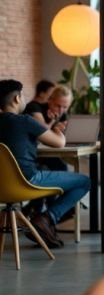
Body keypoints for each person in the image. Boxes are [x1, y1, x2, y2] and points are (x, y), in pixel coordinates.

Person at [0, 79, 90, 248]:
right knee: (84, 182)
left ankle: (40, 217)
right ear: (17, 99)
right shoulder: (25, 121)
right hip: (27, 181)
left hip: (2, 186)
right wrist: (57, 130)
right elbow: (59, 143)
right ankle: (47, 218)